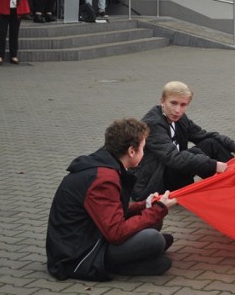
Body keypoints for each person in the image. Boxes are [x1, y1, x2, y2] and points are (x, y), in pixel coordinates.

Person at [46, 118, 178, 281]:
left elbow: (110, 212)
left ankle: (136, 256)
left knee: (154, 222)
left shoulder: (105, 165)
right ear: (131, 151)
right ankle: (116, 265)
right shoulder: (104, 179)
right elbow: (116, 232)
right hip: (77, 254)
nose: (144, 153)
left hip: (88, 235)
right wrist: (159, 209)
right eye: (143, 148)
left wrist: (146, 205)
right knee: (154, 239)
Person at [132, 81, 235, 201]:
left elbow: (203, 135)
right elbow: (173, 158)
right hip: (154, 183)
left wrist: (233, 147)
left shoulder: (180, 118)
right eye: (173, 103)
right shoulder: (153, 124)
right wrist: (213, 165)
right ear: (162, 101)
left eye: (183, 105)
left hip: (173, 171)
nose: (177, 110)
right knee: (195, 154)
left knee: (211, 143)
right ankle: (230, 186)